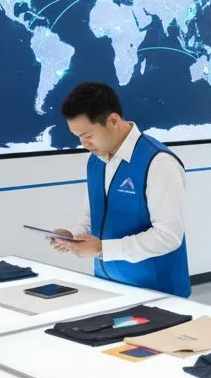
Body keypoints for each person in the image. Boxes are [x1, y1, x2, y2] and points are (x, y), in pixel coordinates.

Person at [50, 82, 190, 297]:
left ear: (113, 120)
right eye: (77, 137)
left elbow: (168, 236)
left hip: (156, 292)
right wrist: (74, 236)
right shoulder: (95, 161)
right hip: (108, 287)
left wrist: (102, 249)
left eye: (88, 135)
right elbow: (92, 216)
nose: (83, 144)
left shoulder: (158, 162)